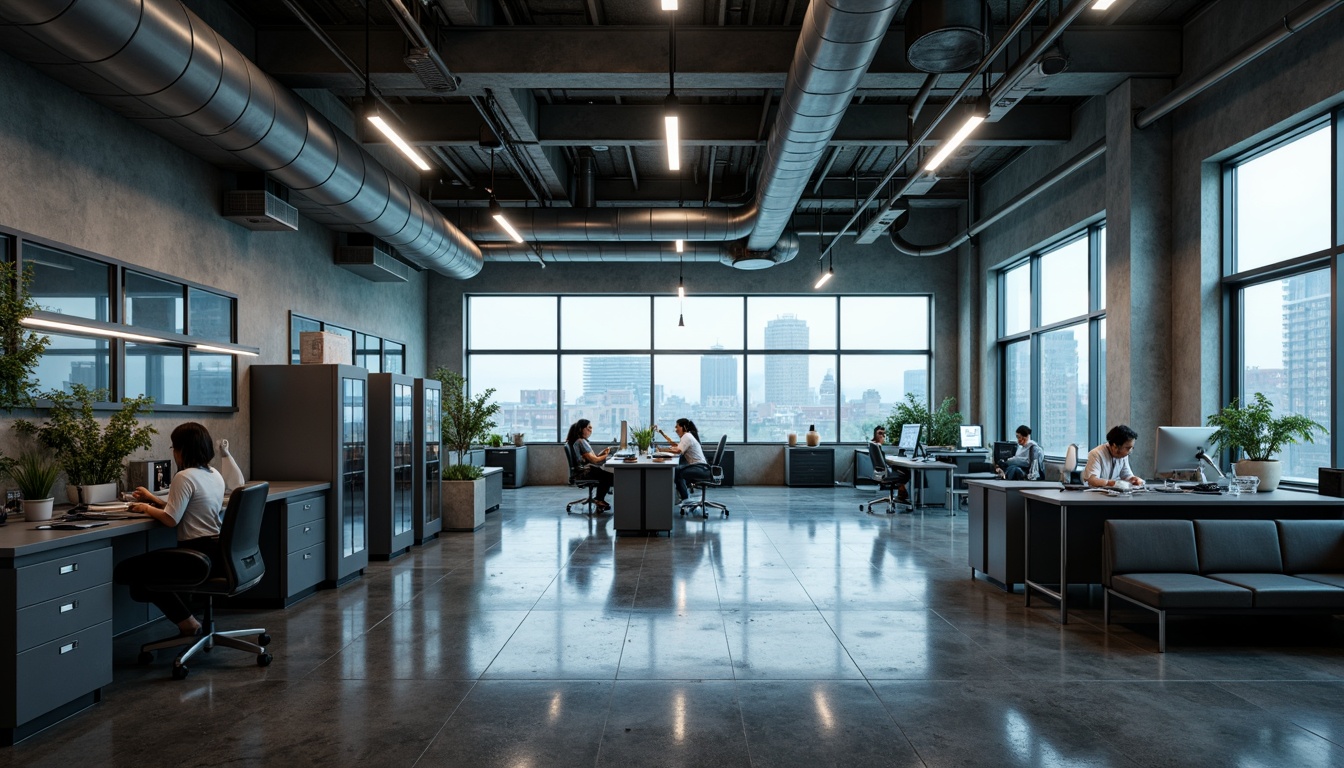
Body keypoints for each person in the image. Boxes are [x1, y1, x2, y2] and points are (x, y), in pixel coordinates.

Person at [114, 422, 227, 636]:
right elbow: (186, 507)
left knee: (127, 571)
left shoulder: (184, 476)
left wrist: (146, 508)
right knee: (145, 574)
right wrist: (153, 499)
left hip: (195, 555)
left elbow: (171, 519)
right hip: (216, 551)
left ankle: (188, 622)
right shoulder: (214, 474)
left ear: (182, 449)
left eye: (174, 447)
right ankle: (186, 619)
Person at [659, 418, 710, 503]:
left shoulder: (686, 436)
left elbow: (678, 451)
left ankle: (684, 499)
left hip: (700, 468)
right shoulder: (688, 436)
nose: (676, 430)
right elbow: (678, 448)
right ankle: (684, 497)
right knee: (678, 470)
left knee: (677, 472)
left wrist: (662, 450)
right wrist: (667, 449)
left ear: (684, 427)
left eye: (677, 427)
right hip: (701, 467)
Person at [565, 419, 613, 511]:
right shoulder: (581, 442)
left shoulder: (581, 441)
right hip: (583, 472)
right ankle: (599, 499)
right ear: (581, 429)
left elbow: (593, 458)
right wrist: (607, 456)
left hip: (582, 470)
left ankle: (599, 498)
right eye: (588, 428)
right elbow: (595, 460)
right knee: (608, 475)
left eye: (591, 428)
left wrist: (603, 454)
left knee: (604, 472)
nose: (591, 430)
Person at [1084, 424, 1146, 489]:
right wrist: (1113, 483)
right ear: (1115, 446)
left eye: (1132, 448)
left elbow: (1126, 475)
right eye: (1128, 448)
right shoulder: (1096, 454)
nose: (1130, 451)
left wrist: (1134, 479)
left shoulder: (1123, 456)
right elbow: (1092, 480)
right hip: (1094, 496)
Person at [871, 425, 910, 503]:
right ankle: (903, 493)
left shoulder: (874, 446)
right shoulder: (877, 446)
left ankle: (902, 493)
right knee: (907, 473)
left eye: (884, 434)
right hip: (885, 474)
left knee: (898, 469)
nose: (883, 436)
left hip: (880, 473)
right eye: (880, 434)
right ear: (875, 434)